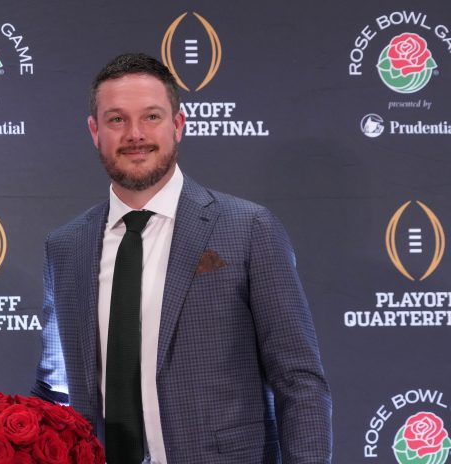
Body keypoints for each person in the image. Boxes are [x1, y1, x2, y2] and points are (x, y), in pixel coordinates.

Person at [33, 53, 332, 463]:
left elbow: (299, 382)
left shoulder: (248, 228)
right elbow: (53, 385)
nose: (135, 134)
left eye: (151, 117)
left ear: (178, 125)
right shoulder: (65, 247)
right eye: (117, 119)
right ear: (94, 131)